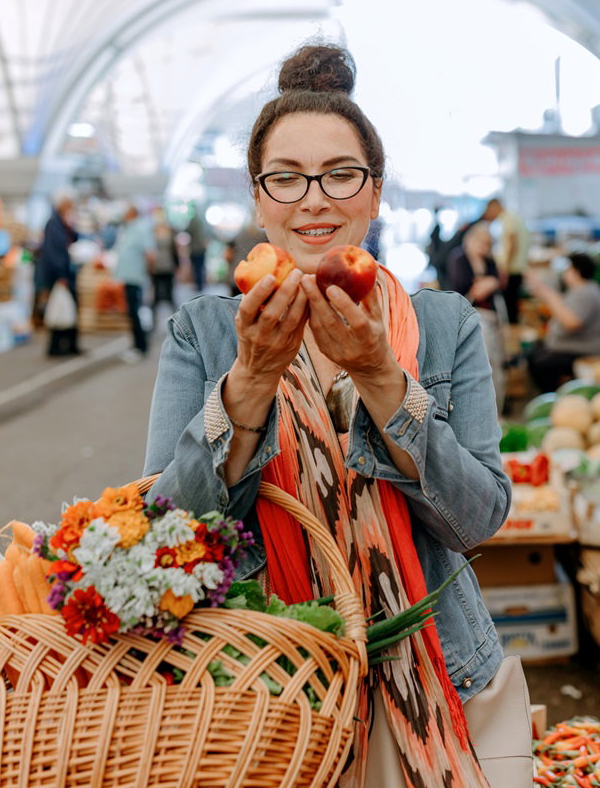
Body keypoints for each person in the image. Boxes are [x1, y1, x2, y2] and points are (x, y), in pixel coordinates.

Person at [142, 43, 528, 787]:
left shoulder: (444, 325)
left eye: (340, 175)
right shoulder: (207, 332)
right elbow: (165, 532)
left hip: (439, 673)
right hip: (265, 684)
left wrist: (382, 378)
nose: (313, 200)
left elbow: (478, 519)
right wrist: (250, 379)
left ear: (374, 193)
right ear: (259, 200)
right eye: (286, 178)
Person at [524, 252, 600, 392]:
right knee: (534, 354)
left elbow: (572, 323)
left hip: (582, 351)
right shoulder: (580, 290)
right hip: (569, 347)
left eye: (568, 269)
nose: (565, 273)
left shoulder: (586, 293)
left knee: (541, 363)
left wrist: (550, 297)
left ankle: (552, 396)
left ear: (577, 272)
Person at [447, 221, 506, 412]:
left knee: (494, 363)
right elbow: (468, 289)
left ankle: (496, 408)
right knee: (478, 363)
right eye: (481, 242)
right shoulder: (459, 258)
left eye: (487, 244)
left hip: (492, 318)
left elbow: (498, 281)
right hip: (470, 316)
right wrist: (488, 283)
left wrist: (490, 283)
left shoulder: (489, 261)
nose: (484, 247)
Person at [37, 197, 81, 357]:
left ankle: (69, 345)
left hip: (65, 273)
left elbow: (73, 239)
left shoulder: (63, 225)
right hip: (59, 275)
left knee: (68, 308)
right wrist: (61, 275)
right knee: (60, 309)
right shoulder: (53, 225)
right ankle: (57, 346)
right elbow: (54, 253)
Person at [113, 204, 155, 361]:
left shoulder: (140, 229)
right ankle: (137, 344)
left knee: (135, 312)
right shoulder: (127, 229)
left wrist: (148, 273)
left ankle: (141, 346)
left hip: (135, 277)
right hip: (128, 276)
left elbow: (150, 253)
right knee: (131, 312)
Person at [483, 198, 529, 324]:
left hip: (512, 270)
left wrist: (504, 270)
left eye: (489, 210)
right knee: (512, 305)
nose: (489, 214)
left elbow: (512, 245)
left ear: (495, 206)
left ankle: (512, 333)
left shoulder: (508, 219)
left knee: (510, 308)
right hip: (517, 268)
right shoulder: (513, 218)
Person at [150, 209, 179, 317]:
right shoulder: (152, 231)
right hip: (156, 266)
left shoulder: (170, 231)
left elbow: (174, 249)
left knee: (170, 292)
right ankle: (154, 318)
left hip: (168, 264)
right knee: (156, 294)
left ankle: (175, 318)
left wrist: (177, 264)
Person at [184, 203, 208, 293]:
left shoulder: (193, 220)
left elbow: (187, 230)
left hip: (195, 248)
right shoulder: (203, 220)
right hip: (202, 248)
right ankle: (202, 284)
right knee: (201, 267)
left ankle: (199, 285)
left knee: (196, 267)